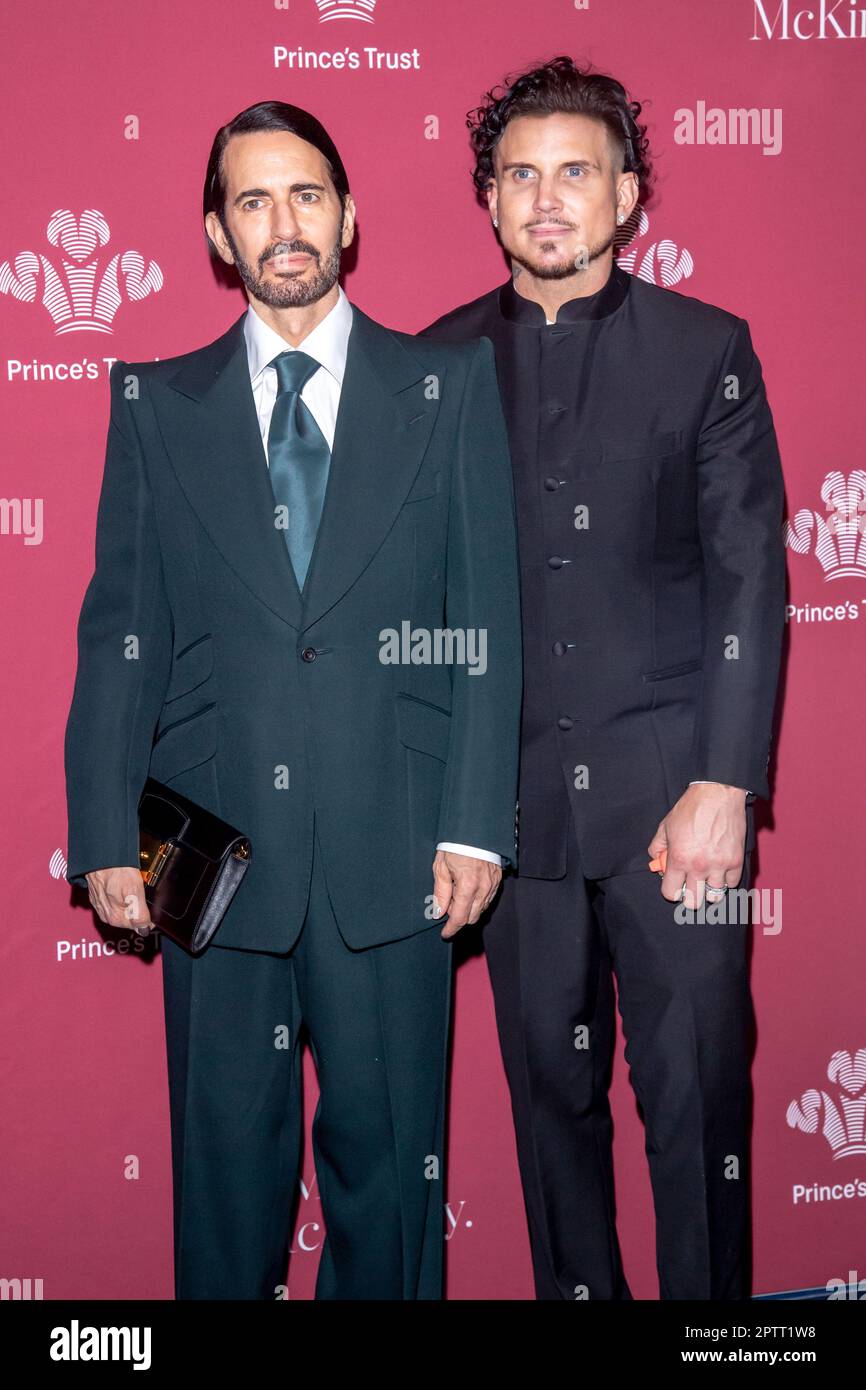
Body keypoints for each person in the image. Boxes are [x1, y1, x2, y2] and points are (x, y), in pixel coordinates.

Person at [64, 100, 522, 1300]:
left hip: (399, 853)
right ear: (219, 235)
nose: (284, 223)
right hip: (211, 863)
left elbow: (484, 623)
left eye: (306, 194)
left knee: (392, 1197)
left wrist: (476, 818)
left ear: (349, 215)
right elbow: (122, 633)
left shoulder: (446, 386)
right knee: (222, 1189)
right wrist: (105, 831)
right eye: (252, 200)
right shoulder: (155, 406)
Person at [421, 56, 786, 1300]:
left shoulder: (706, 351)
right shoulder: (433, 365)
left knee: (697, 1105)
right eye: (517, 175)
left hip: (670, 806)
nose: (544, 198)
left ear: (626, 196)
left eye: (574, 172)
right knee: (546, 1104)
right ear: (486, 201)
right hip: (508, 820)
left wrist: (724, 781)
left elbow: (749, 581)